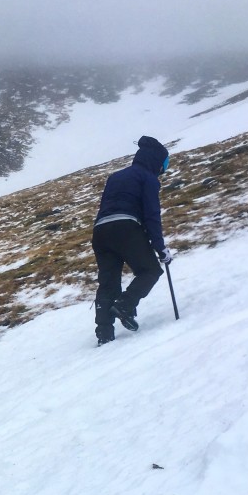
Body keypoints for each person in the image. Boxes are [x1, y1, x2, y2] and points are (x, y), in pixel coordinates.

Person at [91, 135, 174, 346]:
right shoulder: (148, 179)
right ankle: (125, 306)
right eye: (164, 165)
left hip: (100, 231)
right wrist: (160, 248)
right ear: (157, 161)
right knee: (150, 270)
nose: (164, 170)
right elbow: (152, 216)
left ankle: (104, 333)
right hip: (126, 227)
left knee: (108, 283)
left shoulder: (115, 177)